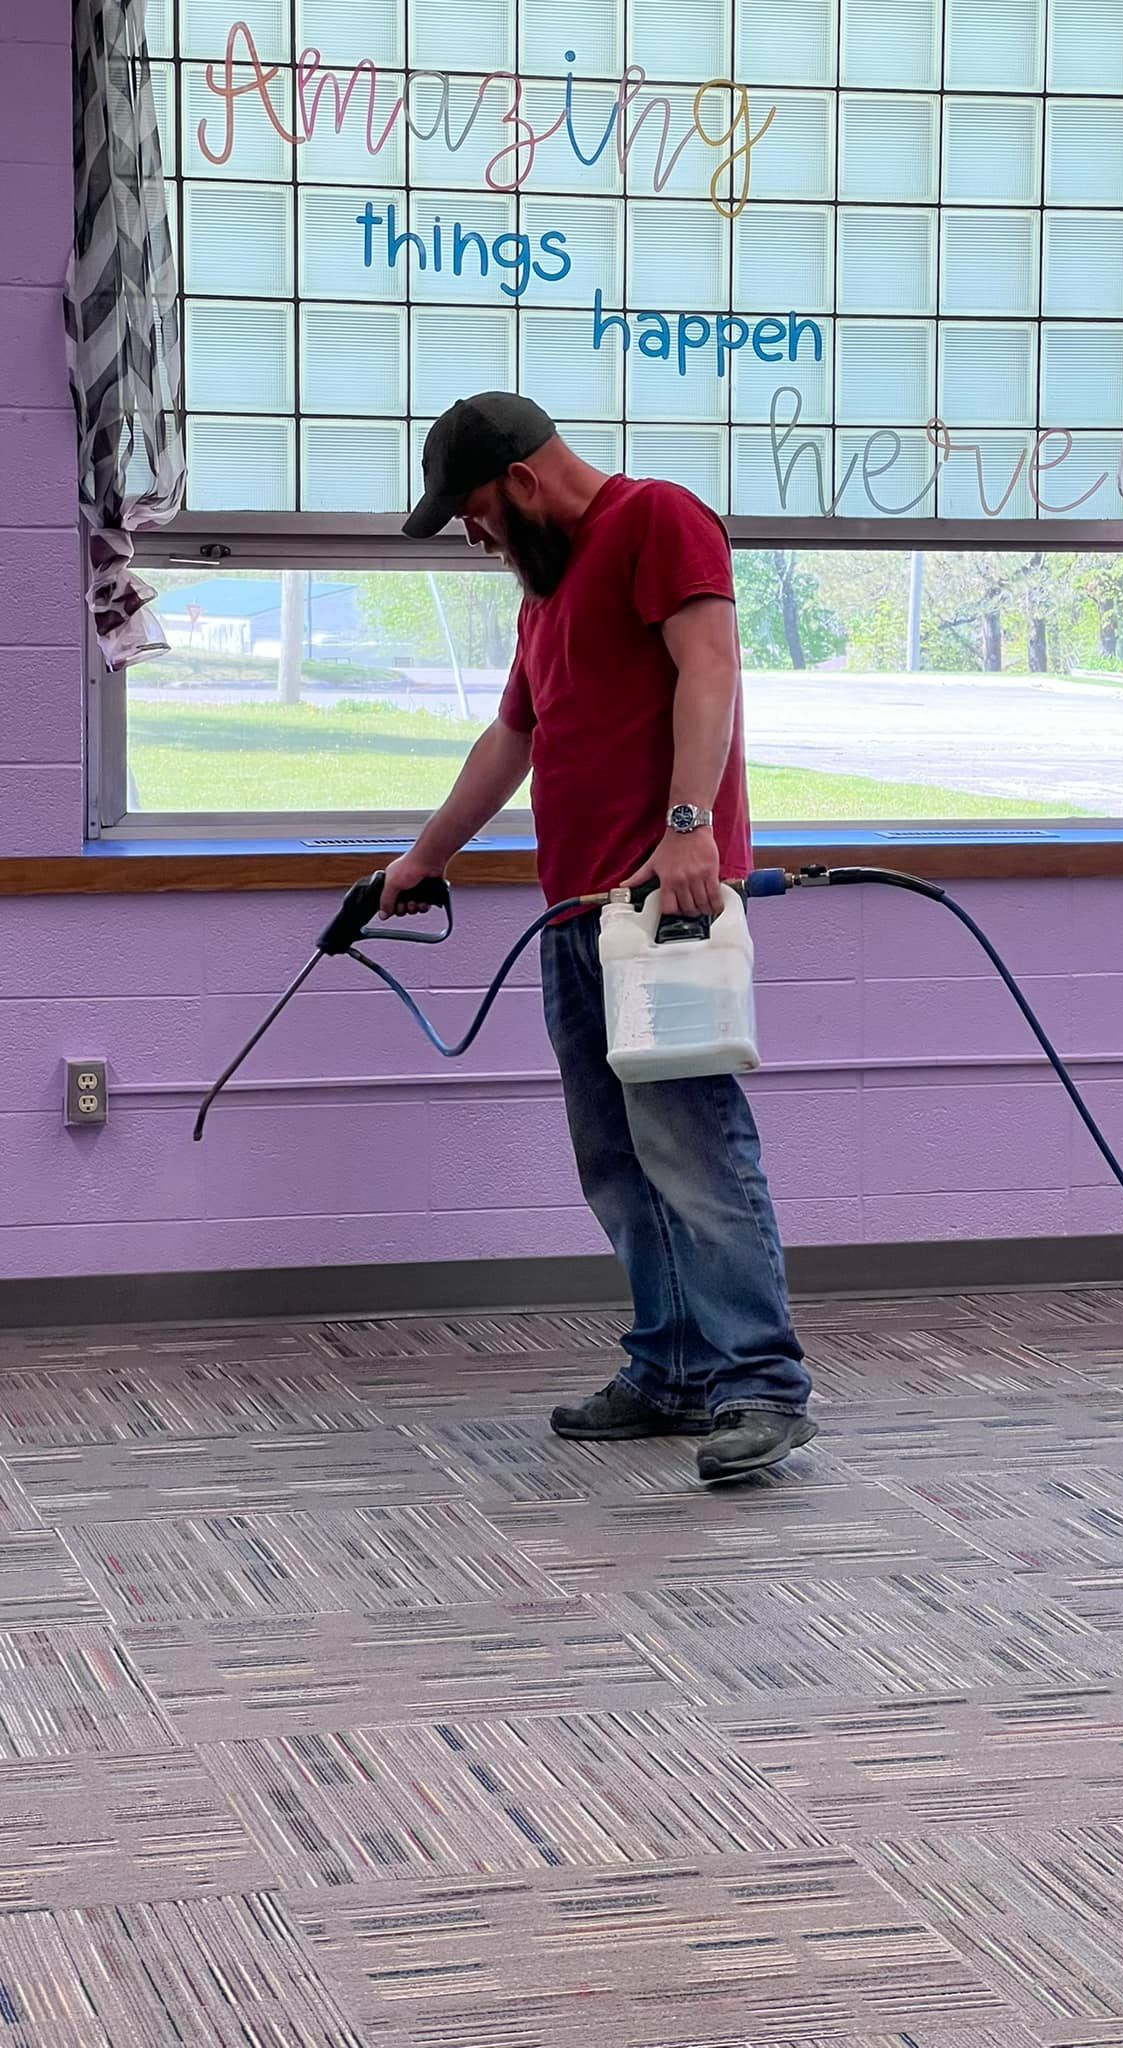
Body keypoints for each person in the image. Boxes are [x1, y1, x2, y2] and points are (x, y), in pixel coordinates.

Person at [382, 392, 815, 1485]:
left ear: (523, 481)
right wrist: (424, 855)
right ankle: (669, 1368)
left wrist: (689, 829)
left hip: (662, 911)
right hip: (576, 920)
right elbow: (512, 737)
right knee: (618, 1164)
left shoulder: (659, 520)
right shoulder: (547, 593)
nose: (475, 534)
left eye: (475, 512)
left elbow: (710, 666)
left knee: (696, 1148)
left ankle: (762, 1382)